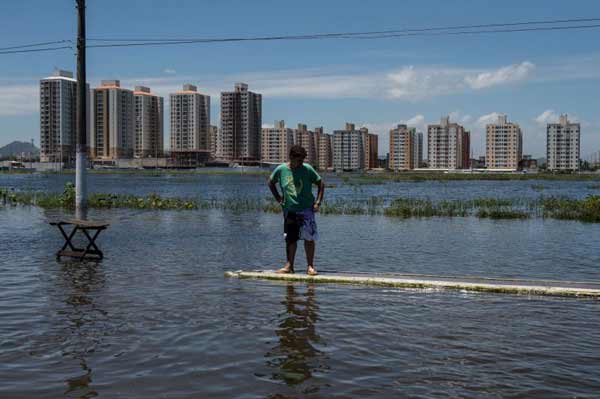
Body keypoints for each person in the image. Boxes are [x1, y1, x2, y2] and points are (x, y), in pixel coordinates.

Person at [268, 145, 325, 275]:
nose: (301, 163)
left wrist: (318, 202)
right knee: (290, 239)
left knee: (309, 238)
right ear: (291, 157)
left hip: (306, 210)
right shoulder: (281, 169)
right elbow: (270, 182)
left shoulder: (307, 169)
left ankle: (310, 266)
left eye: (302, 160)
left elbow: (321, 184)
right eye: (298, 160)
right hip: (290, 210)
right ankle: (289, 266)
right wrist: (278, 198)